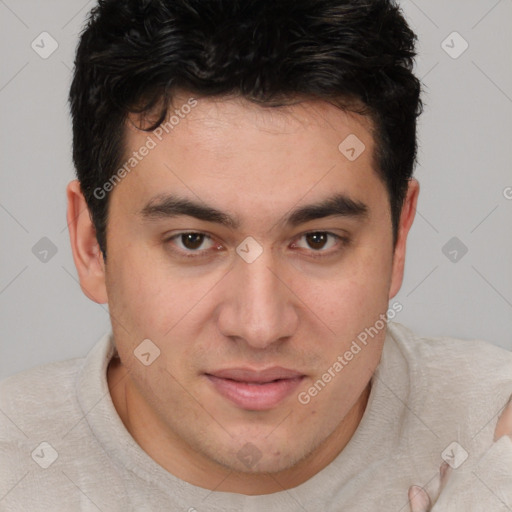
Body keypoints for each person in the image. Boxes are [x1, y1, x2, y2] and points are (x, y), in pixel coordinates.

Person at [1, 0, 511, 510]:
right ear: (92, 246)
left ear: (399, 240)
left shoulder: (495, 437)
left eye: (317, 240)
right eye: (193, 241)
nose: (260, 326)